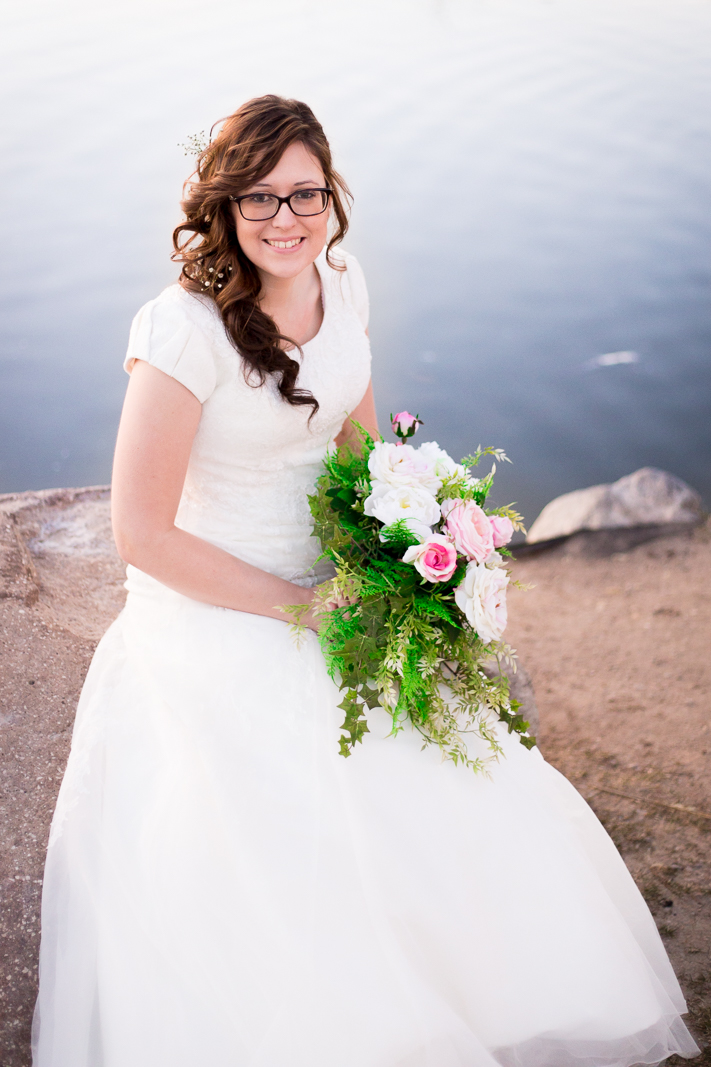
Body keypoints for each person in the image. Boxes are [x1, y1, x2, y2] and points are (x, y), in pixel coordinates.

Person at [32, 94, 699, 1067]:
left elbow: (359, 450)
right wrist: (302, 605)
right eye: (260, 198)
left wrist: (409, 548)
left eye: (305, 193)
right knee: (296, 812)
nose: (286, 218)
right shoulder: (180, 331)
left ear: (331, 196)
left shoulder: (341, 282)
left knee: (455, 777)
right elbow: (140, 533)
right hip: (215, 604)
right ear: (224, 205)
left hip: (335, 580)